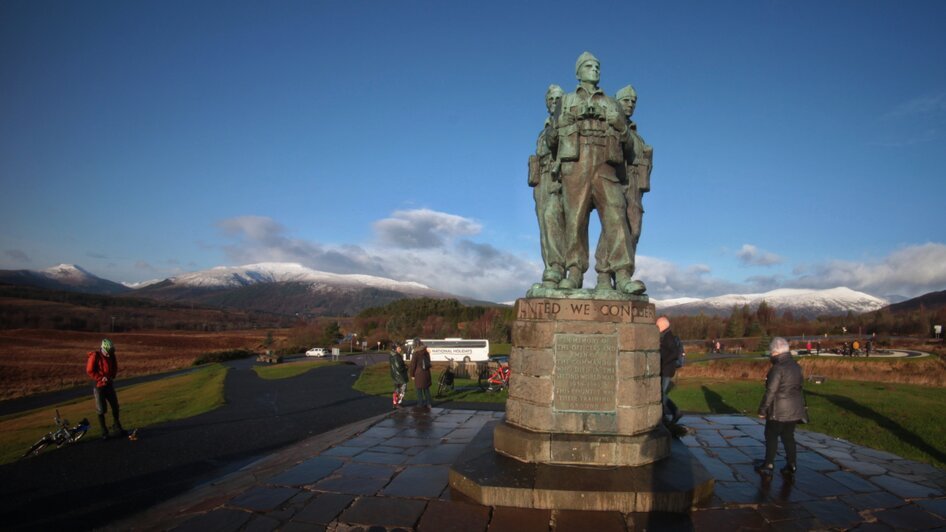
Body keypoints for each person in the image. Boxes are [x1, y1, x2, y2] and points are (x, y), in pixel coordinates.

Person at [548, 52, 643, 294]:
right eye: (589, 66)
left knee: (616, 217)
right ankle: (574, 272)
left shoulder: (611, 103)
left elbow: (630, 147)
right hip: (575, 166)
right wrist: (560, 125)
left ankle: (622, 274)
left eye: (597, 66)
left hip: (605, 166)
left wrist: (620, 126)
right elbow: (551, 142)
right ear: (578, 72)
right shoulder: (566, 101)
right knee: (575, 220)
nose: (594, 69)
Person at [529, 84, 567, 286]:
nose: (554, 103)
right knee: (545, 226)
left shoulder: (564, 124)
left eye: (558, 99)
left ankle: (559, 268)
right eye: (551, 100)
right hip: (541, 180)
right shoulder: (544, 128)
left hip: (558, 177)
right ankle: (551, 270)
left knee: (556, 221)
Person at [755, 337, 807, 476]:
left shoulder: (777, 369)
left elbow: (771, 391)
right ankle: (792, 464)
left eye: (772, 352)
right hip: (794, 408)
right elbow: (799, 386)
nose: (771, 354)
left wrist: (762, 410)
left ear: (776, 352)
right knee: (788, 436)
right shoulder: (797, 366)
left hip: (778, 409)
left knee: (771, 435)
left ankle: (768, 464)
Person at [86, 338, 127, 439]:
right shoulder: (95, 356)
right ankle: (104, 431)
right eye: (109, 350)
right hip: (99, 385)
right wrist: (100, 378)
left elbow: (115, 367)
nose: (110, 352)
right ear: (104, 348)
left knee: (115, 406)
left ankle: (117, 426)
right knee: (101, 409)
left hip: (109, 383)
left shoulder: (112, 355)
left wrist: (112, 376)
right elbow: (90, 370)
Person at [656, 316, 682, 425]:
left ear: (663, 325)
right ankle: (666, 414)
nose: (656, 326)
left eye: (658, 325)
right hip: (665, 369)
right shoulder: (665, 336)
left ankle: (673, 412)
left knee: (661, 394)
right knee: (661, 393)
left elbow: (674, 353)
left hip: (667, 370)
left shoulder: (668, 337)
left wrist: (664, 362)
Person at [408, 337, 432, 410]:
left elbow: (413, 365)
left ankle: (420, 404)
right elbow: (429, 362)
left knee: (419, 390)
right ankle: (429, 403)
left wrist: (412, 374)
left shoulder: (415, 353)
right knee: (426, 389)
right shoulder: (426, 352)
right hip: (426, 373)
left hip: (418, 374)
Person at [389, 343, 409, 408]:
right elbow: (399, 367)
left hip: (395, 375)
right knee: (402, 390)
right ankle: (398, 403)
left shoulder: (392, 355)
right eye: (399, 348)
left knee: (396, 389)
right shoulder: (396, 356)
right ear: (395, 349)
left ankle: (395, 403)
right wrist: (405, 368)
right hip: (400, 376)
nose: (400, 349)